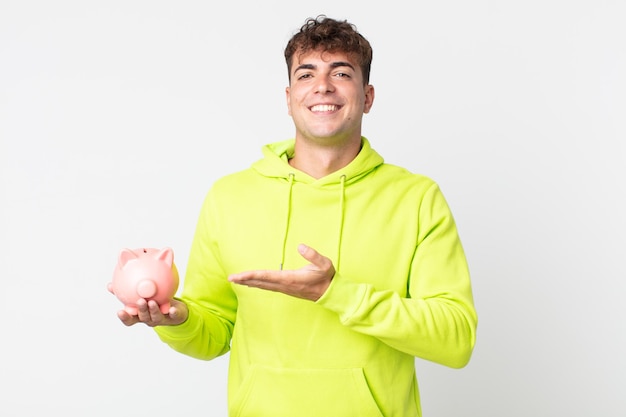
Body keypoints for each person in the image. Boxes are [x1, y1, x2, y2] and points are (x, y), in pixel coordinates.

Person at [112, 15, 477, 417]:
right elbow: (213, 334)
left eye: (341, 72)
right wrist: (176, 319)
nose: (323, 86)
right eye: (307, 74)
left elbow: (455, 339)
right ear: (288, 98)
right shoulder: (230, 196)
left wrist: (336, 293)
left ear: (368, 97)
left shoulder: (416, 198)